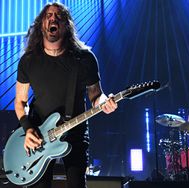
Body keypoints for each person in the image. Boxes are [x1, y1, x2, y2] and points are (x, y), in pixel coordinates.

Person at [15, 2, 118, 188]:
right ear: (41, 25)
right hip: (40, 133)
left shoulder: (85, 59)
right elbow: (20, 102)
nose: (53, 18)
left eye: (59, 16)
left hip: (75, 132)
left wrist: (105, 102)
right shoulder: (29, 61)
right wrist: (28, 128)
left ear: (66, 25)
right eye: (48, 16)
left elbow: (96, 96)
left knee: (77, 183)